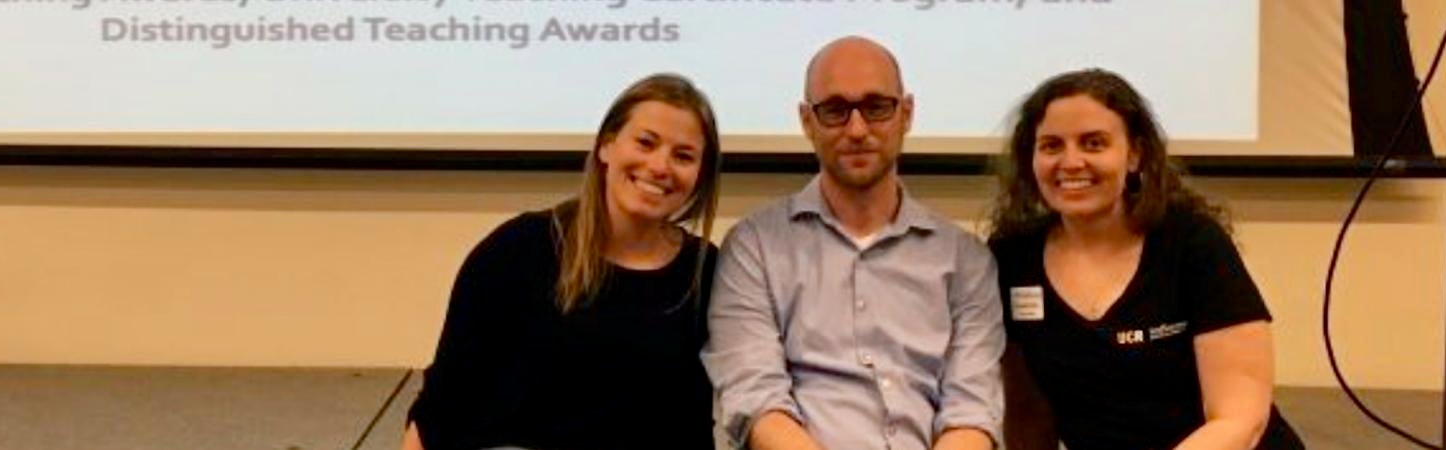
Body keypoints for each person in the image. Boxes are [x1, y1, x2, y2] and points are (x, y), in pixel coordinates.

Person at [703, 36, 1005, 450]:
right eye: (835, 111)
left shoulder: (966, 260)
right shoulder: (754, 247)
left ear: (907, 113)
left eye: (877, 107)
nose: (857, 129)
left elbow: (972, 412)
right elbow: (756, 402)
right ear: (807, 121)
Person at [401, 73, 725, 450]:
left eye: (683, 156)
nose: (659, 166)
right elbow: (442, 403)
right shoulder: (518, 249)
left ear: (700, 176)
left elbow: (692, 428)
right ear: (606, 146)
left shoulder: (704, 273)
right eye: (645, 143)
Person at [986, 68, 1305, 450]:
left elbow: (1241, 420)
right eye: (1052, 146)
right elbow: (1027, 415)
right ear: (1031, 159)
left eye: (1093, 143)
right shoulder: (1012, 256)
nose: (1071, 163)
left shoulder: (1192, 243)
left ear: (1134, 154)